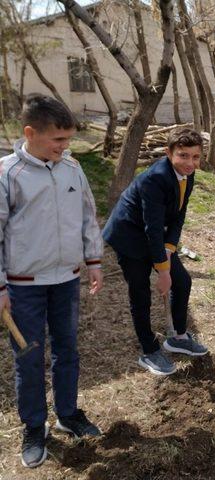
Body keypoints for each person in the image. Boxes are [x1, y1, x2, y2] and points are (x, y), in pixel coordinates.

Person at [0, 94, 104, 468]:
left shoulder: (72, 169)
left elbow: (88, 217)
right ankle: (34, 425)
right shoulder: (8, 174)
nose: (66, 147)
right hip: (23, 285)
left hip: (66, 281)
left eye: (68, 140)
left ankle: (68, 413)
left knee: (68, 350)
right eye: (58, 140)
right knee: (28, 357)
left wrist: (93, 260)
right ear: (30, 133)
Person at [103, 128, 208, 377]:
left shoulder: (187, 175)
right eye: (183, 155)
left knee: (182, 282)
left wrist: (169, 251)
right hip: (129, 235)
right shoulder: (155, 178)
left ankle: (178, 337)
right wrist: (162, 271)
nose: (190, 163)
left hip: (155, 234)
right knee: (140, 292)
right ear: (168, 153)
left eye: (195, 156)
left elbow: (178, 217)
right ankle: (149, 350)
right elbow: (151, 228)